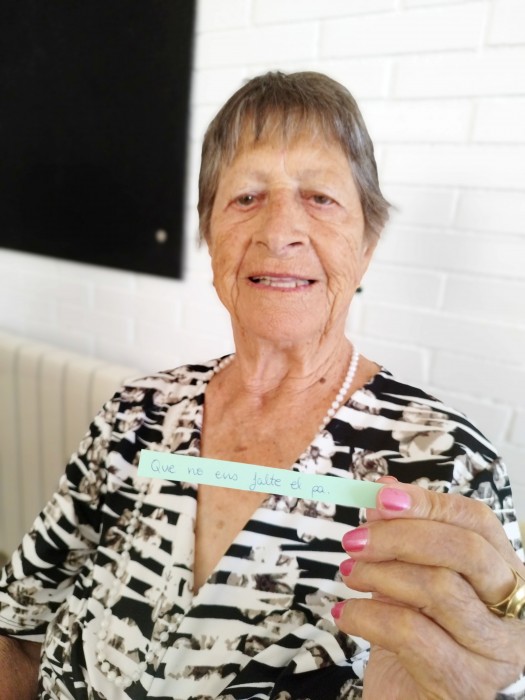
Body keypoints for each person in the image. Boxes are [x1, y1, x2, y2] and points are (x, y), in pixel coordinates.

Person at [0, 71, 524, 700]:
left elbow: (490, 664)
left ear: (367, 244)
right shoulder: (135, 413)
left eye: (320, 198)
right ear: (210, 237)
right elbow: (18, 627)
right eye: (247, 197)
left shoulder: (445, 465)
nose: (279, 232)